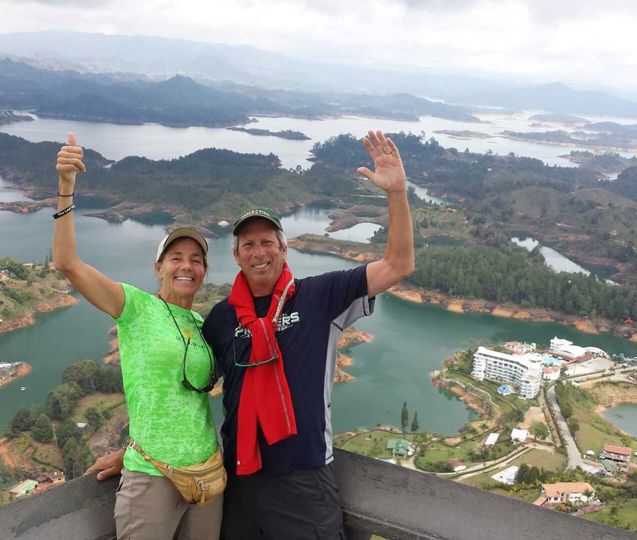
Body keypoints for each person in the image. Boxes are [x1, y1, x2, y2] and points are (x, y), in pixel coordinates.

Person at [89, 129, 414, 539]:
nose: (259, 252)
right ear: (237, 255)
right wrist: (137, 451)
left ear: (283, 249)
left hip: (303, 477)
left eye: (267, 242)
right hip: (238, 476)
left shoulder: (319, 296)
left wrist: (396, 194)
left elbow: (398, 265)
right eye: (248, 245)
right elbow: (181, 392)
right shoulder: (222, 318)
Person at [53, 132, 222, 540]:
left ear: (203, 271)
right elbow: (68, 263)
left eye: (196, 259)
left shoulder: (203, 326)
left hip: (207, 478)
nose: (187, 266)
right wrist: (65, 189)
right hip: (152, 478)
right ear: (158, 267)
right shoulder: (136, 307)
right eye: (176, 257)